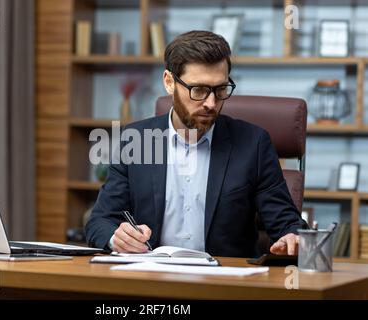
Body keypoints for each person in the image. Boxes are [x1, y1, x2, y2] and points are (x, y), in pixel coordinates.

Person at [85, 30, 308, 258]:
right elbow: (100, 221)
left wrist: (293, 237)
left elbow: (287, 224)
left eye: (220, 89)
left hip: (224, 282)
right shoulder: (136, 140)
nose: (211, 103)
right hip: (151, 279)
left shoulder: (253, 144)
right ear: (169, 82)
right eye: (198, 90)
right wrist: (117, 237)